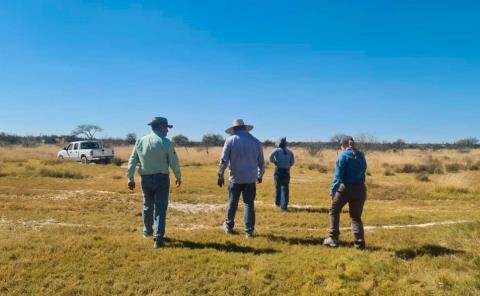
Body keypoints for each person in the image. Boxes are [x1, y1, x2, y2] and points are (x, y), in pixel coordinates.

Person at [126, 117, 182, 248]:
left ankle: (147, 231)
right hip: (162, 179)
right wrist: (178, 176)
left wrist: (130, 178)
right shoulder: (166, 142)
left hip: (145, 179)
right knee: (161, 208)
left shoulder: (140, 141)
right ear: (161, 127)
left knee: (147, 205)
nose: (167, 130)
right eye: (166, 127)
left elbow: (133, 160)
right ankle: (159, 237)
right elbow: (174, 162)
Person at [217, 119, 265, 238]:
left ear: (235, 129)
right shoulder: (256, 142)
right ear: (244, 128)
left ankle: (229, 226)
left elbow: (224, 160)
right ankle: (249, 231)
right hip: (250, 178)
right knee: (249, 204)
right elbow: (261, 162)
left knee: (233, 202)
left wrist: (220, 174)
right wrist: (260, 175)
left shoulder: (230, 140)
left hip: (235, 178)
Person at [323, 136, 367, 249]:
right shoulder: (361, 155)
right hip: (360, 189)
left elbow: (337, 177)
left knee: (334, 210)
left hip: (346, 188)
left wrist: (332, 192)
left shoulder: (342, 156)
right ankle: (359, 242)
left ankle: (333, 238)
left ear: (343, 146)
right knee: (355, 216)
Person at [269, 137, 295, 211]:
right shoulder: (290, 151)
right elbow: (292, 162)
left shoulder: (276, 150)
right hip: (286, 171)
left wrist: (275, 162)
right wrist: (288, 165)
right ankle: (284, 206)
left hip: (278, 170)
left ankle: (277, 203)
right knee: (285, 189)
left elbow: (270, 157)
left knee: (277, 188)